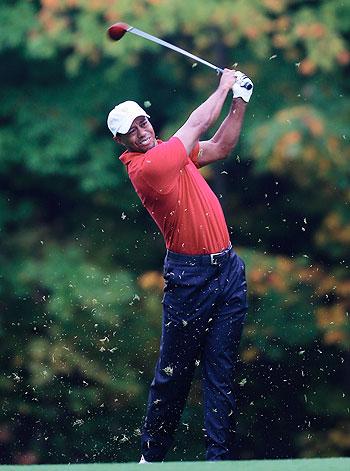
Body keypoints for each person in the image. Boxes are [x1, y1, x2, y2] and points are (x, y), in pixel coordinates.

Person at [107, 69, 253, 463]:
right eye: (131, 130)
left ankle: (217, 460)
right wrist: (224, 84)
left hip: (228, 271)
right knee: (173, 375)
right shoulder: (149, 167)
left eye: (143, 121)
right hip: (190, 279)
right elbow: (197, 122)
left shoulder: (173, 151)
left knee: (220, 373)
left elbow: (221, 145)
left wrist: (240, 100)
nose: (141, 131)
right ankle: (150, 458)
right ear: (121, 142)